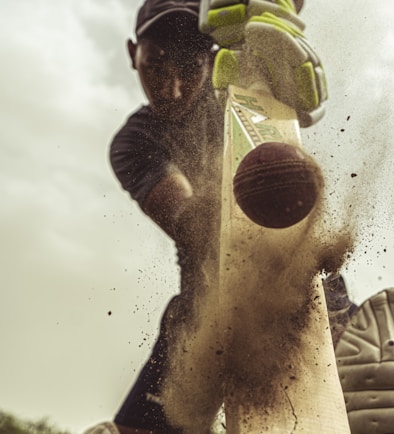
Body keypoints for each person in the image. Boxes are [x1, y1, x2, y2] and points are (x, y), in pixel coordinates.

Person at [84, 0, 327, 433]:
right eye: (155, 66)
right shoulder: (135, 141)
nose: (173, 88)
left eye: (189, 68)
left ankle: (368, 341)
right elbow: (194, 227)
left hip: (303, 293)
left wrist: (265, 58)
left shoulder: (248, 101)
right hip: (203, 308)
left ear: (213, 58)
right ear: (131, 53)